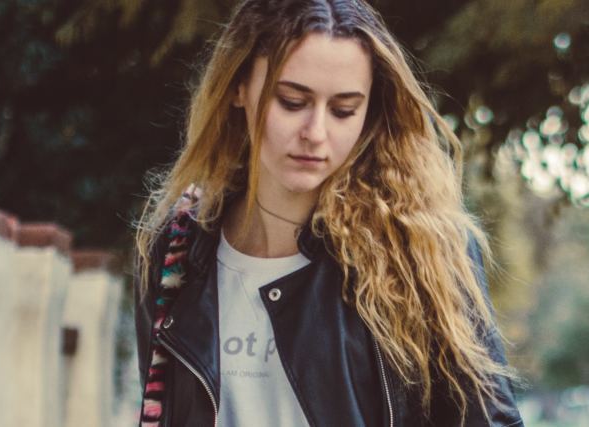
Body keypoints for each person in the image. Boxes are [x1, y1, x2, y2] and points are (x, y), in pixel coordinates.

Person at [132, 0, 522, 425]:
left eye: (343, 111)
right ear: (239, 88)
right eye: (292, 101)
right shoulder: (175, 251)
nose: (315, 134)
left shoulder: (420, 251)